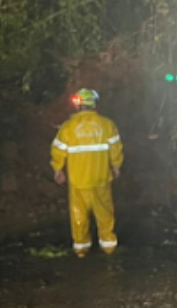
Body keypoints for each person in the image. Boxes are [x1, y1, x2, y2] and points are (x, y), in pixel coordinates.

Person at [50, 88, 124, 257]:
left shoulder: (68, 127)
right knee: (105, 214)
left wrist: (58, 169)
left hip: (78, 179)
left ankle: (81, 249)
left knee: (79, 216)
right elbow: (116, 148)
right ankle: (109, 247)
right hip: (101, 178)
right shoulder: (107, 125)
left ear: (78, 105)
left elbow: (58, 150)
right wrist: (116, 166)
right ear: (94, 103)